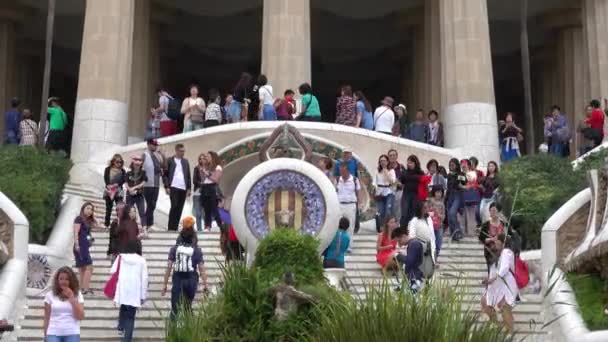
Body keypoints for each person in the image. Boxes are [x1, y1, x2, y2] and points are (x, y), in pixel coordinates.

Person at [162, 218, 209, 319]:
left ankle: (173, 331)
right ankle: (189, 330)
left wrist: (165, 285)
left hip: (178, 279)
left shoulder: (174, 249)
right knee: (188, 307)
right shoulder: (196, 250)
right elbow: (201, 268)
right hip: (191, 280)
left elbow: (169, 267)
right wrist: (206, 285)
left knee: (175, 309)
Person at [481, 233, 518, 333]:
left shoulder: (507, 252)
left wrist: (491, 280)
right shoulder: (498, 253)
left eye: (497, 240)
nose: (495, 242)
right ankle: (498, 325)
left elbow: (504, 269)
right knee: (485, 302)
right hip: (496, 285)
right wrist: (489, 279)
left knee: (505, 307)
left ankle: (510, 331)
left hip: (506, 285)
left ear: (503, 242)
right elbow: (494, 270)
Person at [112, 240, 148, 342]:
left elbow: (113, 270)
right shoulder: (141, 260)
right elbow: (144, 279)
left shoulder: (121, 257)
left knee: (124, 306)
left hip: (122, 288)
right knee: (130, 317)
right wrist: (143, 295)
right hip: (135, 290)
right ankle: (126, 339)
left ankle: (120, 326)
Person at [43, 267, 85, 342]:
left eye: (67, 279)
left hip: (72, 332)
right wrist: (45, 335)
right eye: (61, 279)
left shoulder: (78, 295)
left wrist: (72, 298)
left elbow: (80, 316)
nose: (63, 281)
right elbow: (47, 318)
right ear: (57, 280)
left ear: (71, 281)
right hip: (53, 332)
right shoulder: (49, 295)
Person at [163, 144, 192, 231]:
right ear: (176, 151)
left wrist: (189, 188)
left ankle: (175, 228)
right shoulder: (170, 160)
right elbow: (165, 175)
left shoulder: (185, 162)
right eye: (181, 151)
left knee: (180, 208)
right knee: (174, 206)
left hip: (183, 188)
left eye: (184, 151)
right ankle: (170, 227)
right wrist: (167, 186)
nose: (183, 153)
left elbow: (188, 176)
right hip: (173, 187)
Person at [73, 202, 97, 295]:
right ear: (83, 209)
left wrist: (93, 217)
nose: (90, 211)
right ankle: (85, 288)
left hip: (84, 246)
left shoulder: (87, 221)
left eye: (91, 209)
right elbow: (75, 232)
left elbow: (96, 225)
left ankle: (82, 288)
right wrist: (77, 245)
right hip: (80, 246)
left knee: (83, 268)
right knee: (89, 267)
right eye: (88, 208)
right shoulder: (79, 218)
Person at [336, 163, 362, 249]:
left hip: (350, 205)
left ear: (347, 171)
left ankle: (348, 245)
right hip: (339, 205)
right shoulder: (337, 179)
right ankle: (338, 244)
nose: (342, 173)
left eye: (343, 171)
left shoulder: (354, 180)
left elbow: (358, 193)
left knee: (350, 226)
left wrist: (359, 204)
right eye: (340, 171)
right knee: (337, 225)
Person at [142, 139, 164, 231]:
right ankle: (148, 224)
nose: (155, 147)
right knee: (150, 204)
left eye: (156, 145)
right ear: (149, 144)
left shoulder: (157, 156)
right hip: (147, 184)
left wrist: (162, 154)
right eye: (154, 145)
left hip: (156, 184)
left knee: (153, 204)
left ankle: (148, 223)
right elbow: (138, 166)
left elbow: (162, 165)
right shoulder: (144, 154)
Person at [479, 203, 509, 273]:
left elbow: (509, 237)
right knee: (492, 271)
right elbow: (481, 239)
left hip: (502, 252)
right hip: (490, 252)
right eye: (490, 210)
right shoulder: (486, 225)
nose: (492, 213)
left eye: (494, 211)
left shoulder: (504, 224)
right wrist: (492, 239)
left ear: (499, 212)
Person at [198, 151, 223, 231]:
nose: (207, 158)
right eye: (206, 157)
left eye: (208, 156)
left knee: (214, 210)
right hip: (205, 188)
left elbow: (216, 179)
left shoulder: (218, 167)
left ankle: (221, 226)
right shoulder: (206, 167)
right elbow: (203, 180)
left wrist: (207, 173)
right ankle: (207, 227)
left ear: (213, 157)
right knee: (206, 210)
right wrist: (202, 171)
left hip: (212, 189)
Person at [407, 201, 436, 265]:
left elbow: (432, 235)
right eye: (425, 208)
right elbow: (412, 236)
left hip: (430, 249)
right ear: (420, 209)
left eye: (427, 208)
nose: (427, 210)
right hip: (419, 250)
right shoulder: (414, 221)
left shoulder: (429, 219)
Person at [399, 155, 424, 228]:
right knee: (404, 213)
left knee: (413, 214)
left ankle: (410, 231)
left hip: (416, 196)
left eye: (411, 162)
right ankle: (402, 230)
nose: (409, 164)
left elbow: (424, 184)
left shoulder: (420, 173)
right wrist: (399, 184)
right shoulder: (405, 172)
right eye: (408, 162)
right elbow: (400, 181)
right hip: (406, 195)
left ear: (415, 163)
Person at [103, 154, 127, 228]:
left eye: (120, 162)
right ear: (113, 161)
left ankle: (120, 224)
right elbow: (106, 178)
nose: (119, 163)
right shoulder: (107, 169)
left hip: (118, 191)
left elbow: (124, 179)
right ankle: (106, 224)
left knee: (120, 208)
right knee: (108, 208)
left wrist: (116, 184)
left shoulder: (123, 170)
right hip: (109, 190)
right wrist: (108, 185)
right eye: (117, 162)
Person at [125, 155, 148, 229]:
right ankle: (128, 227)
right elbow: (126, 183)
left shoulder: (143, 173)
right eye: (136, 164)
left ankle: (144, 228)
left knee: (142, 212)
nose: (137, 166)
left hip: (139, 195)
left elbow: (143, 183)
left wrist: (134, 188)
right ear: (133, 164)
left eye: (138, 164)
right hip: (130, 195)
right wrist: (129, 189)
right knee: (129, 211)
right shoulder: (128, 173)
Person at [446, 158, 466, 241]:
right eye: (450, 165)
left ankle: (458, 231)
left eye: (453, 165)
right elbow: (448, 187)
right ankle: (454, 234)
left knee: (452, 213)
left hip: (457, 195)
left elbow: (463, 183)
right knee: (449, 215)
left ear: (457, 165)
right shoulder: (449, 175)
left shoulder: (460, 174)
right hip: (449, 195)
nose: (451, 166)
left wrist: (462, 174)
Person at [375, 154, 396, 228]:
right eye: (381, 161)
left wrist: (386, 171)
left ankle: (388, 228)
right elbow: (375, 183)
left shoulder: (391, 171)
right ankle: (382, 227)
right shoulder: (377, 171)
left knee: (388, 211)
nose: (383, 162)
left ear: (387, 162)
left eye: (384, 161)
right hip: (380, 193)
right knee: (381, 211)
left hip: (389, 192)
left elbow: (392, 182)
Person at [460, 159, 480, 235]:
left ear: (468, 165)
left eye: (464, 165)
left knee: (471, 214)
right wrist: (464, 187)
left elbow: (473, 183)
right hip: (462, 196)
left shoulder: (472, 173)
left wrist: (465, 186)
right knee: (463, 214)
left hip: (471, 196)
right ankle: (463, 231)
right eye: (462, 165)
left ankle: (471, 232)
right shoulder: (460, 174)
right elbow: (460, 184)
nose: (463, 167)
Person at [428, 186, 446, 259]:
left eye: (440, 192)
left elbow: (443, 217)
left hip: (439, 226)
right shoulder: (429, 201)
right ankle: (431, 260)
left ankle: (434, 260)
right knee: (431, 244)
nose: (439, 194)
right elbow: (426, 213)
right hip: (430, 226)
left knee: (438, 244)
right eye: (437, 192)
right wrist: (432, 210)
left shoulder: (442, 204)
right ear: (434, 193)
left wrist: (438, 213)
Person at [388, 149, 406, 220]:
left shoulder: (401, 167)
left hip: (399, 192)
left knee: (398, 211)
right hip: (388, 192)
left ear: (396, 156)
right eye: (390, 155)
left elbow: (405, 181)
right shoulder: (386, 167)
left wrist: (400, 184)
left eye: (394, 155)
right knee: (388, 211)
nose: (392, 157)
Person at [192, 153, 206, 232]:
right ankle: (199, 229)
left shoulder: (208, 169)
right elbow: (194, 180)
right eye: (200, 159)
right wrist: (202, 185)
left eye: (203, 158)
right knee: (198, 212)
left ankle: (206, 228)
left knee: (204, 211)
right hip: (198, 192)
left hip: (206, 193)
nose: (202, 160)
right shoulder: (196, 168)